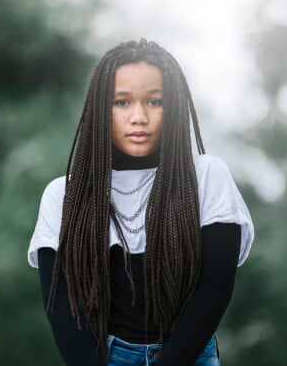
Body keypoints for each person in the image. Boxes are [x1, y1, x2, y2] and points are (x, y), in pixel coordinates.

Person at [27, 39, 254, 366]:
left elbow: (214, 294)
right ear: (100, 108)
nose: (138, 117)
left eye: (155, 101)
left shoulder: (207, 177)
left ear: (173, 106)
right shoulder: (64, 196)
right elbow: (61, 312)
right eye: (121, 102)